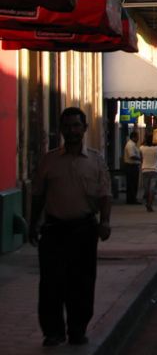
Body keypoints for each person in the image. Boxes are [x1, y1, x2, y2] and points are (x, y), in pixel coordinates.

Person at [29, 107, 112, 347]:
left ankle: (78, 329)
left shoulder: (96, 160)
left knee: (82, 283)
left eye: (76, 126)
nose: (72, 131)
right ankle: (53, 331)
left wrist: (105, 222)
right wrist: (33, 224)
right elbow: (38, 195)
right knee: (50, 284)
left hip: (84, 230)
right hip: (54, 230)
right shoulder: (49, 160)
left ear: (84, 129)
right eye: (67, 126)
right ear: (61, 129)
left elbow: (105, 194)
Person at [139, 134, 157, 213]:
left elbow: (141, 145)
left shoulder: (142, 148)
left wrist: (145, 140)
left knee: (147, 188)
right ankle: (150, 204)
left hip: (145, 169)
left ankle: (148, 201)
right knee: (152, 189)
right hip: (155, 170)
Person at [123, 130, 142, 205]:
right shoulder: (130, 145)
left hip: (133, 166)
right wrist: (140, 159)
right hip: (131, 166)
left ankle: (132, 198)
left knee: (133, 183)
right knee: (132, 183)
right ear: (134, 137)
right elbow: (132, 156)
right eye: (137, 137)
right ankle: (131, 199)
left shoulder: (133, 144)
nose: (138, 139)